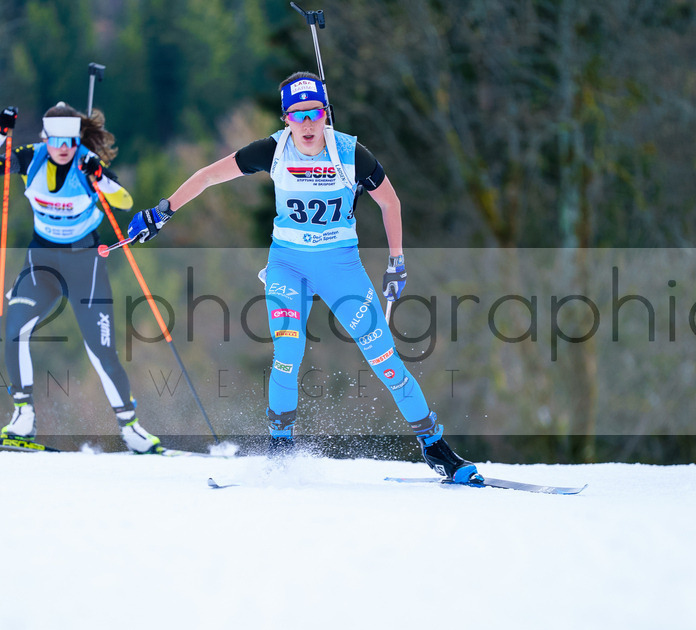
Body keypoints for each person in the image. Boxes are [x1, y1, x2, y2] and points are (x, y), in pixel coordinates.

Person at [125, 73, 481, 482]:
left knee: (384, 360)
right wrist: (163, 210)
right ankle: (281, 449)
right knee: (288, 353)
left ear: (325, 114)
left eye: (314, 114)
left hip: (340, 267)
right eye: (298, 116)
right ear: (286, 119)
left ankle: (435, 448)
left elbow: (389, 201)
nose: (308, 125)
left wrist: (396, 260)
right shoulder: (272, 150)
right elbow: (208, 175)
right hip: (288, 265)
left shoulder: (350, 152)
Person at [0, 102, 162, 453]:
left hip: (84, 266)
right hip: (41, 262)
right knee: (13, 331)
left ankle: (131, 428)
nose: (63, 148)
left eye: (70, 142)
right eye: (56, 140)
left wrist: (99, 176)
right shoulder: (30, 157)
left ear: (77, 141)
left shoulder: (87, 163)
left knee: (102, 352)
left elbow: (123, 201)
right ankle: (23, 417)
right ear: (46, 137)